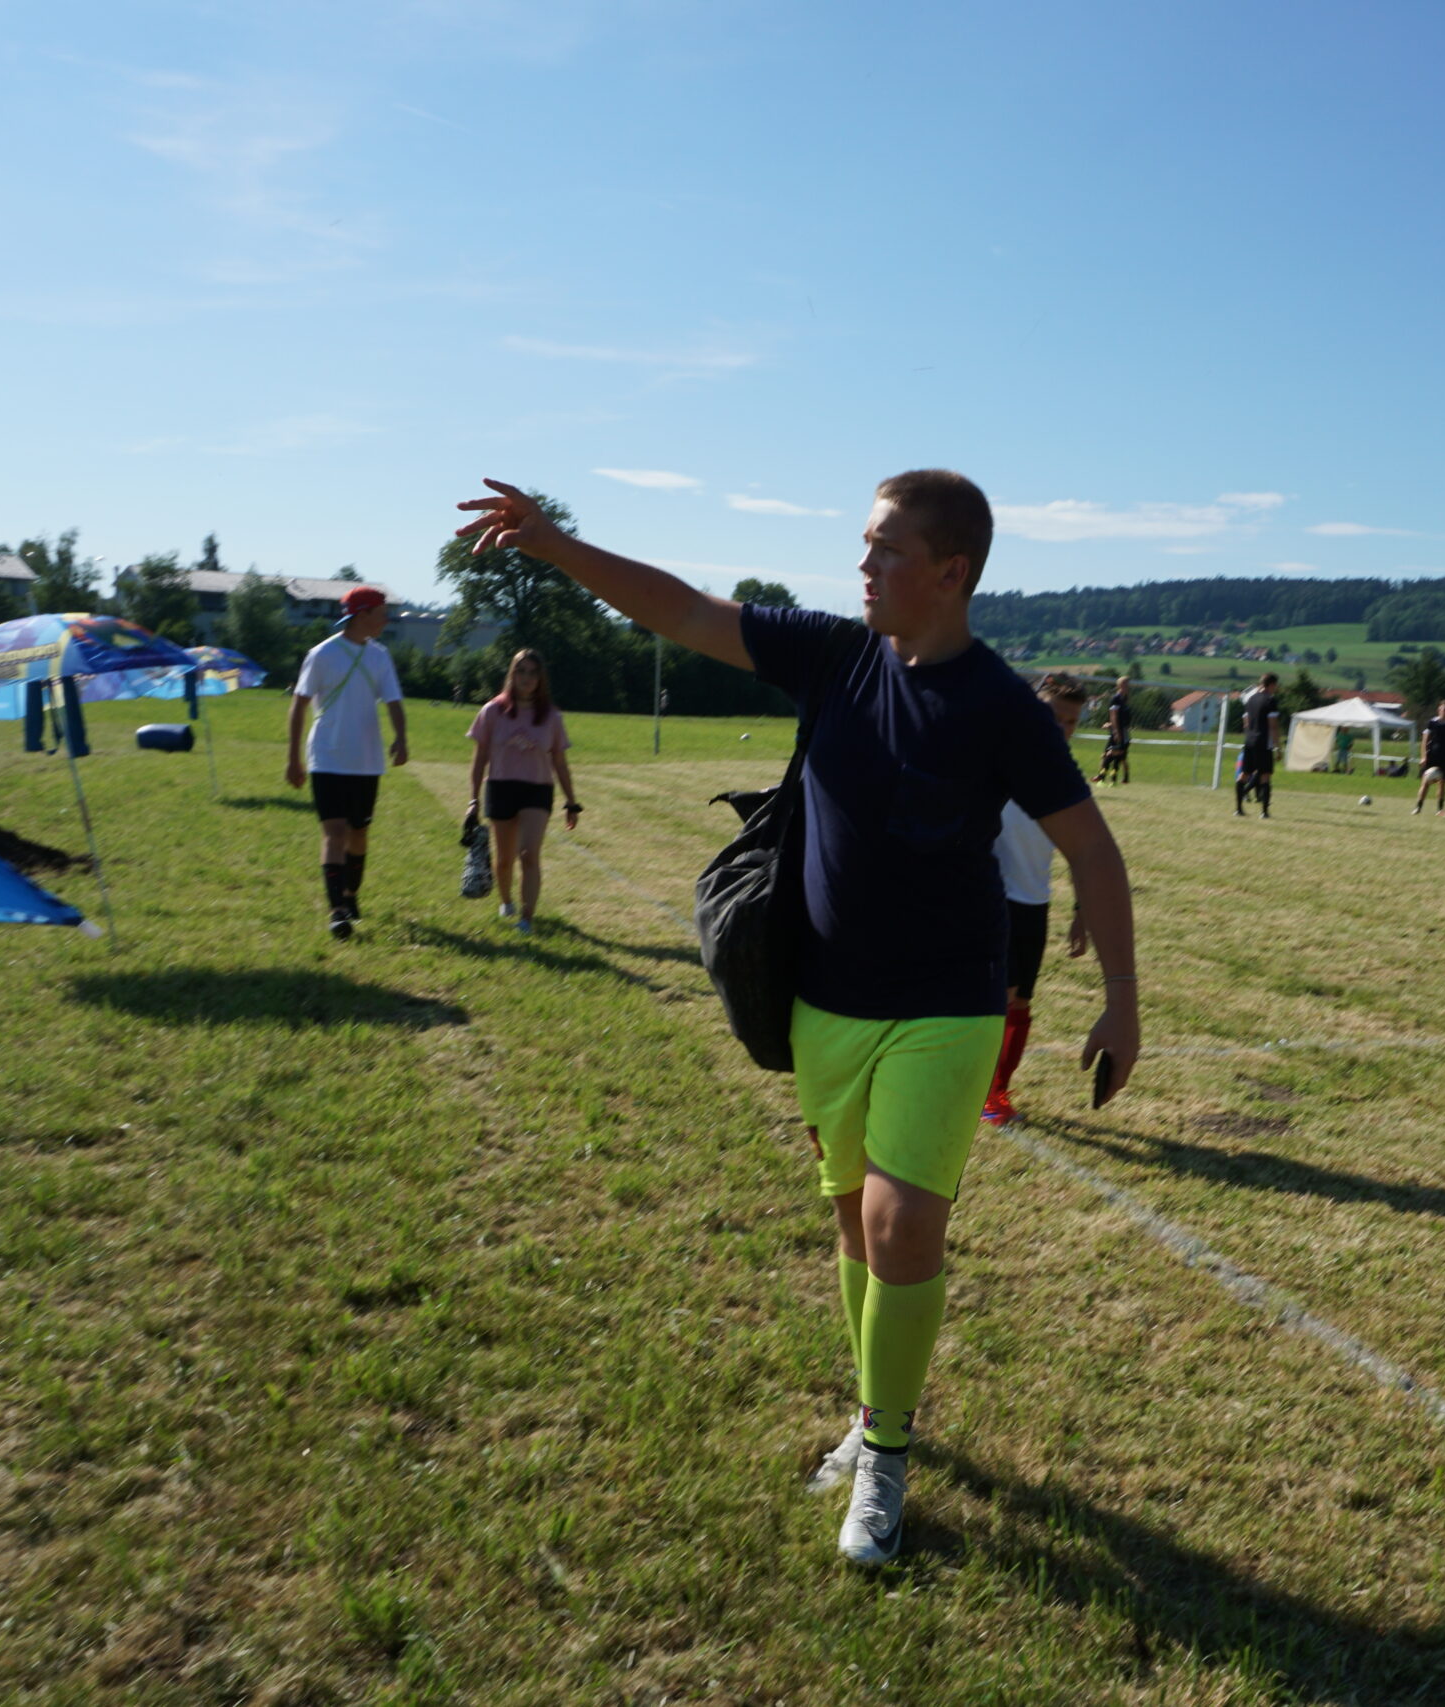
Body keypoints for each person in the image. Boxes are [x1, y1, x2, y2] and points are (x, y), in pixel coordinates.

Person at [454, 468, 1140, 1569]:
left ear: (950, 572)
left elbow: (1092, 851)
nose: (862, 565)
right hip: (824, 997)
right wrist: (556, 545)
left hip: (946, 1004)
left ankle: (886, 1456)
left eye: (886, 550)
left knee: (901, 1224)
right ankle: (875, 1409)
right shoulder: (833, 654)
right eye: (865, 544)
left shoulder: (1001, 707)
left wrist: (1120, 1000)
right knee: (853, 1221)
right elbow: (682, 610)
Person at [984, 674, 1093, 1126]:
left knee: (1020, 1004)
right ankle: (982, 1090)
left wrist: (1081, 912)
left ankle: (997, 1091)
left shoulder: (1065, 780)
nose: (1061, 728)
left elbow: (1081, 850)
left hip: (1033, 905)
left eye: (1071, 722)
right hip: (988, 900)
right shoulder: (992, 763)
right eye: (1053, 717)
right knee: (997, 997)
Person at [286, 587, 407, 938]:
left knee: (359, 833)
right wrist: (293, 758)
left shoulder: (380, 656)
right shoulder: (322, 654)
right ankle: (337, 910)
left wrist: (401, 737)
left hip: (366, 761)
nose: (386, 620)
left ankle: (351, 894)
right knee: (334, 832)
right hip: (327, 756)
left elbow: (394, 701)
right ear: (362, 615)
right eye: (381, 613)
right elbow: (299, 705)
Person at [467, 649, 581, 935]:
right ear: (512, 674)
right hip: (501, 787)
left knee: (529, 854)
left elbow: (559, 762)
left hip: (537, 790)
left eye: (533, 672)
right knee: (504, 859)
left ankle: (527, 918)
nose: (526, 678)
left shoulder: (551, 716)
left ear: (541, 678)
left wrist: (571, 801)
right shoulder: (492, 711)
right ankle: (506, 901)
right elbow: (479, 759)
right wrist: (473, 800)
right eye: (521, 671)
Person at [1234, 672, 1283, 817]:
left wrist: (1250, 735)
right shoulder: (1270, 700)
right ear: (1272, 684)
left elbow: (1246, 722)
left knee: (1244, 774)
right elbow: (1273, 726)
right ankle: (1264, 812)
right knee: (1265, 775)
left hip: (1249, 741)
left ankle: (1238, 809)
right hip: (1263, 742)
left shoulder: (1251, 699)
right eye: (1276, 685)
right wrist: (1278, 747)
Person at [1412, 699, 1445, 815]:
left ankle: (1440, 809)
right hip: (1432, 756)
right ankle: (1418, 807)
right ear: (1439, 710)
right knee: (1425, 782)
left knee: (1442, 783)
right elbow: (1425, 741)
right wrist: (1424, 757)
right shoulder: (1432, 723)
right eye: (1443, 709)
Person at [1093, 674, 1133, 785]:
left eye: (1128, 684)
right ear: (1120, 685)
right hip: (1117, 731)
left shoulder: (1124, 699)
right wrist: (1115, 730)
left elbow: (1122, 717)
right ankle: (1102, 777)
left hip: (1123, 731)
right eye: (1125, 684)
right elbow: (1114, 715)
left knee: (1118, 756)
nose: (1127, 686)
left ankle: (1112, 779)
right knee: (1109, 754)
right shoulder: (1116, 699)